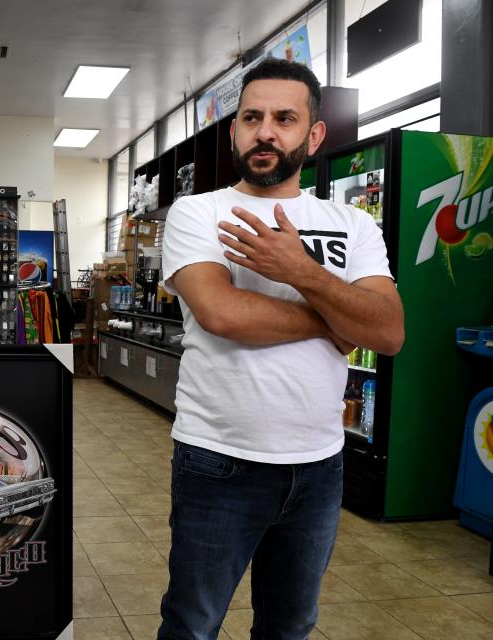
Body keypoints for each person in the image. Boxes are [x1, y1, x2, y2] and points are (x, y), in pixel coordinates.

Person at [157, 58, 405, 640]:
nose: (266, 131)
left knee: (290, 626)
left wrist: (303, 272)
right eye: (252, 117)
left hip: (320, 465)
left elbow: (388, 331)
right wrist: (335, 321)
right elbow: (222, 313)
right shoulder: (200, 212)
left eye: (285, 118)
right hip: (218, 459)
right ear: (235, 130)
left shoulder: (353, 224)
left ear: (313, 135)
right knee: (193, 624)